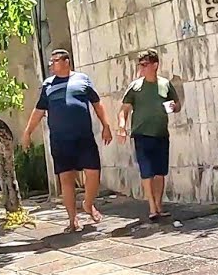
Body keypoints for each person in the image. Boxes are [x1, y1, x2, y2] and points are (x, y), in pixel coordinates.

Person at [22, 49, 114, 232]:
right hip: (60, 140)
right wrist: (27, 132)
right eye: (51, 62)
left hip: (84, 137)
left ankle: (88, 203)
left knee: (93, 172)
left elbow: (96, 103)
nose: (51, 65)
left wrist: (106, 125)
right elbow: (39, 111)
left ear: (66, 61)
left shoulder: (82, 80)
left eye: (55, 61)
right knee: (66, 180)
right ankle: (72, 220)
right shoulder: (48, 85)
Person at [119, 49, 181, 221]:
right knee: (147, 171)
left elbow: (177, 104)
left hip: (161, 133)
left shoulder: (165, 84)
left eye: (145, 65)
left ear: (155, 65)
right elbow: (124, 110)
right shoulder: (135, 87)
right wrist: (121, 127)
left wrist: (172, 107)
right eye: (140, 65)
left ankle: (159, 205)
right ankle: (152, 207)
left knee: (160, 172)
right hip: (141, 134)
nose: (142, 68)